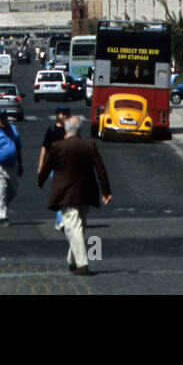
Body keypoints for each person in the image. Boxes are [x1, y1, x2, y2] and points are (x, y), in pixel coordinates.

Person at [38, 115, 111, 275]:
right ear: (79, 131)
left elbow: (46, 166)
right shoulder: (89, 145)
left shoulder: (57, 146)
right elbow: (101, 168)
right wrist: (106, 190)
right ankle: (73, 260)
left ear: (66, 130)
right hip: (86, 192)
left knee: (74, 228)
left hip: (66, 193)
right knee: (79, 227)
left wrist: (41, 179)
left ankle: (82, 264)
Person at [39, 107, 71, 230]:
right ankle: (60, 221)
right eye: (63, 114)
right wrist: (41, 165)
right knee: (60, 194)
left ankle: (64, 219)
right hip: (54, 167)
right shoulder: (52, 130)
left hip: (68, 167)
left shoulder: (71, 130)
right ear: (58, 115)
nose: (65, 116)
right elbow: (44, 148)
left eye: (67, 114)